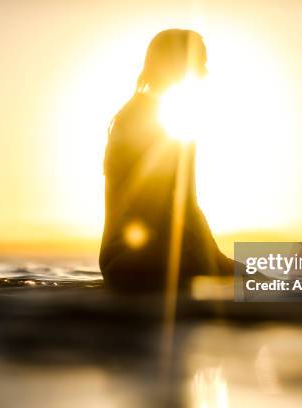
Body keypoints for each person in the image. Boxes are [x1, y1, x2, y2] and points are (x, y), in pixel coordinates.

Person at [99, 29, 235, 291]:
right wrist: (218, 262)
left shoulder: (127, 116)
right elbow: (187, 207)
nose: (205, 73)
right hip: (154, 258)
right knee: (279, 288)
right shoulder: (174, 125)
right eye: (200, 63)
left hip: (115, 262)